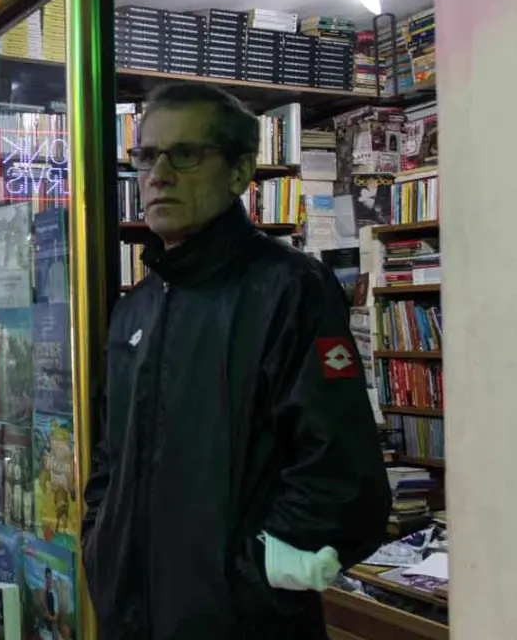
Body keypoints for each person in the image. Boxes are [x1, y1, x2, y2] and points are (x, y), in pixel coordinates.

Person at [81, 83, 391, 640]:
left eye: (186, 153)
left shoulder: (289, 288)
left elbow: (342, 472)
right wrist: (99, 537)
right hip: (129, 617)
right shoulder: (135, 308)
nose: (158, 174)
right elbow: (112, 455)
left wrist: (253, 576)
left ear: (240, 170)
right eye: (148, 155)